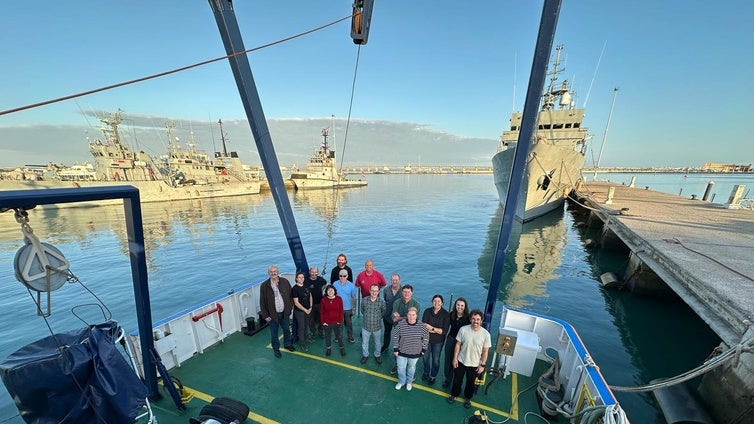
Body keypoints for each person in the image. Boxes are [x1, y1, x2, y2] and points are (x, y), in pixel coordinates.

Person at [447, 309, 491, 409]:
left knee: (471, 383)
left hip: (475, 364)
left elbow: (485, 351)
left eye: (478, 319)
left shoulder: (486, 334)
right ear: (470, 319)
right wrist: (455, 359)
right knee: (457, 380)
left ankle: (468, 398)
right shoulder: (463, 329)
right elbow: (458, 345)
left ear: (481, 320)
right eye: (473, 319)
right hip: (461, 360)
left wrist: (482, 364)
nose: (475, 321)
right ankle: (454, 394)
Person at [259, 265, 295, 358]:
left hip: (284, 313)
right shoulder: (264, 285)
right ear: (268, 273)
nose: (273, 273)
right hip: (272, 315)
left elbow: (291, 296)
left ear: (278, 272)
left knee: (287, 330)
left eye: (275, 271)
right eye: (271, 272)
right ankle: (276, 349)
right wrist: (265, 315)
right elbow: (262, 302)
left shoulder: (285, 282)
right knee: (274, 333)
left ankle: (287, 344)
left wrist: (289, 308)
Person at [393, 307, 429, 391]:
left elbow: (426, 337)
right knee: (400, 367)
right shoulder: (401, 324)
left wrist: (424, 350)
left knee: (411, 367)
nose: (411, 317)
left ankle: (409, 382)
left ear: (416, 316)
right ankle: (402, 381)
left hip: (414, 352)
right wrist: (395, 349)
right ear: (407, 315)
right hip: (402, 351)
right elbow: (396, 337)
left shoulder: (421, 326)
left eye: (413, 315)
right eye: (409, 315)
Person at [390, 284, 420, 374]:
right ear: (402, 292)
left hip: (411, 332)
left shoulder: (416, 304)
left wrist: (400, 318)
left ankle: (410, 370)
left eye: (408, 292)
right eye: (404, 292)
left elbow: (415, 320)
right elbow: (394, 318)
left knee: (411, 350)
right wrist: (406, 318)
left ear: (412, 293)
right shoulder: (396, 302)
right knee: (397, 349)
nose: (406, 294)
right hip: (399, 331)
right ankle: (397, 365)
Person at [421, 295, 450, 385]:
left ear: (442, 303)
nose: (436, 303)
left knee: (436, 360)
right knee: (425, 358)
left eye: (439, 301)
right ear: (432, 302)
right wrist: (437, 330)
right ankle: (426, 372)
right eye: (435, 301)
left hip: (438, 342)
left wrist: (432, 328)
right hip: (426, 339)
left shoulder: (446, 314)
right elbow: (424, 326)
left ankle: (433, 376)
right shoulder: (427, 311)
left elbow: (444, 331)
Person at [442, 297, 470, 388]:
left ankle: (456, 380)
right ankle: (448, 379)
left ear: (465, 307)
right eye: (458, 305)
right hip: (451, 339)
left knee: (458, 361)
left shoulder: (468, 318)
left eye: (462, 305)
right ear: (455, 305)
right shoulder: (451, 315)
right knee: (448, 360)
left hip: (462, 342)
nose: (460, 307)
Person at [359, 283, 386, 364]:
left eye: (376, 291)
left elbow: (383, 312)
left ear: (378, 292)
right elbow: (362, 310)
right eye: (372, 291)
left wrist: (377, 318)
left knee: (378, 343)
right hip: (366, 327)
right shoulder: (364, 300)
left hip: (377, 327)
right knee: (364, 343)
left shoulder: (381, 302)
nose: (374, 293)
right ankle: (365, 355)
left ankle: (377, 355)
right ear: (370, 291)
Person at [320, 284, 346, 356]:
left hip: (337, 322)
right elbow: (322, 312)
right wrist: (323, 322)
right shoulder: (323, 300)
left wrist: (339, 321)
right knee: (328, 336)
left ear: (334, 291)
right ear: (326, 292)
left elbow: (341, 310)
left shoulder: (339, 299)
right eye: (328, 290)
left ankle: (342, 348)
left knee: (339, 336)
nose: (330, 291)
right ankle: (328, 349)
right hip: (327, 322)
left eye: (332, 290)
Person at [291, 271, 312, 352]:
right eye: (299, 277)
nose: (301, 279)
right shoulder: (295, 289)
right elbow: (296, 303)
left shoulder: (306, 286)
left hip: (307, 310)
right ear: (296, 278)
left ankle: (306, 338)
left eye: (302, 277)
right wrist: (305, 310)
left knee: (306, 324)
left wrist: (310, 307)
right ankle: (302, 342)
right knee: (301, 327)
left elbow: (310, 296)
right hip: (299, 311)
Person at [335, 270, 358, 343]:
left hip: (348, 309)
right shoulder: (335, 284)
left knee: (349, 324)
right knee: (339, 323)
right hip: (338, 309)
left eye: (344, 276)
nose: (342, 277)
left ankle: (350, 336)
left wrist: (354, 309)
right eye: (340, 276)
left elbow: (354, 297)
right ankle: (339, 337)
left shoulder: (351, 285)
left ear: (347, 276)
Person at [381, 274, 402, 353]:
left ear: (399, 280)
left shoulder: (403, 291)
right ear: (390, 280)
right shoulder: (386, 290)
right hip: (387, 316)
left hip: (398, 319)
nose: (394, 281)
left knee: (399, 335)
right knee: (387, 332)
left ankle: (398, 349)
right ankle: (385, 346)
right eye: (393, 280)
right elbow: (386, 300)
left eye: (396, 280)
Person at [306, 267, 327, 338]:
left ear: (317, 273)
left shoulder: (320, 279)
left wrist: (321, 289)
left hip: (319, 303)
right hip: (310, 304)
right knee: (311, 319)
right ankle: (312, 332)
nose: (314, 274)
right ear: (309, 272)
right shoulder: (306, 280)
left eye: (315, 272)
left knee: (321, 318)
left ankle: (321, 331)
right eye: (312, 272)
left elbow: (325, 283)